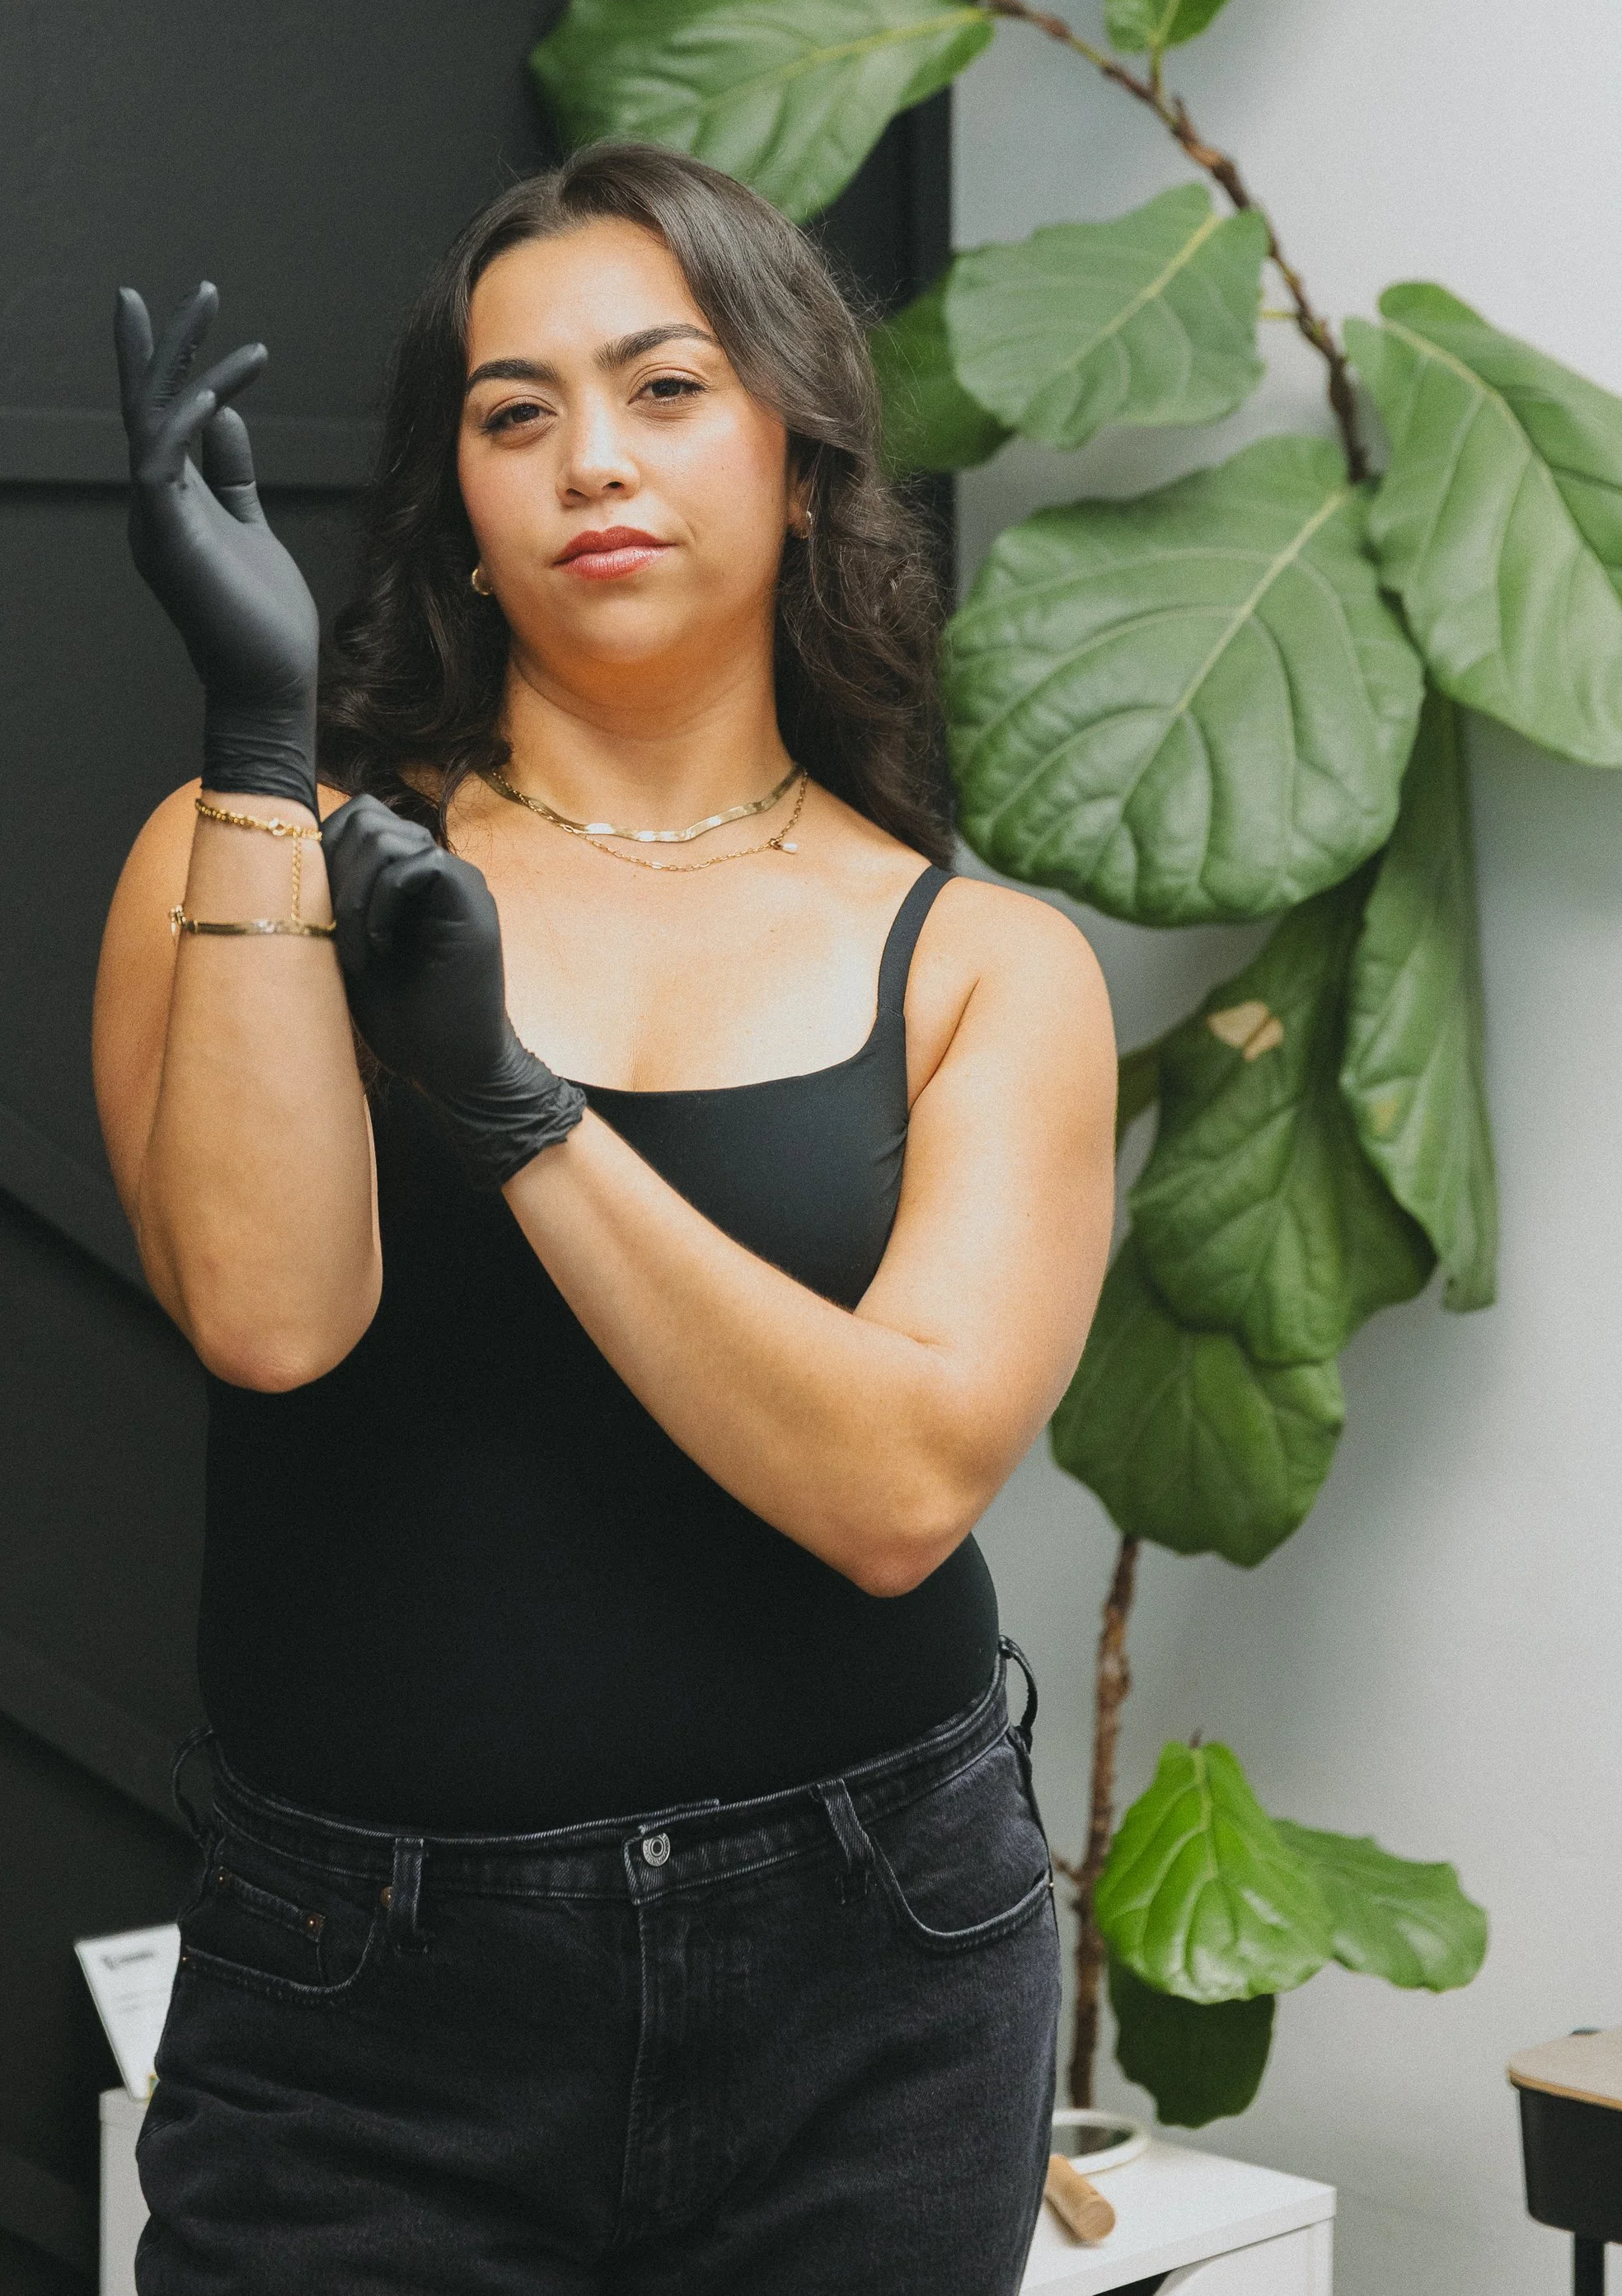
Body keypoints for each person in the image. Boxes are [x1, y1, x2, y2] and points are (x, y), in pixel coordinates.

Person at [91, 143, 1117, 2296]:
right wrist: (262, 746)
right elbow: (269, 1318)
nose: (590, 461)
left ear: (800, 457)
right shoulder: (259, 846)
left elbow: (895, 1490)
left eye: (664, 386)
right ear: (456, 499)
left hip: (871, 1975)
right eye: (514, 411)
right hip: (364, 1995)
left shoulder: (979, 962)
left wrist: (510, 1108)